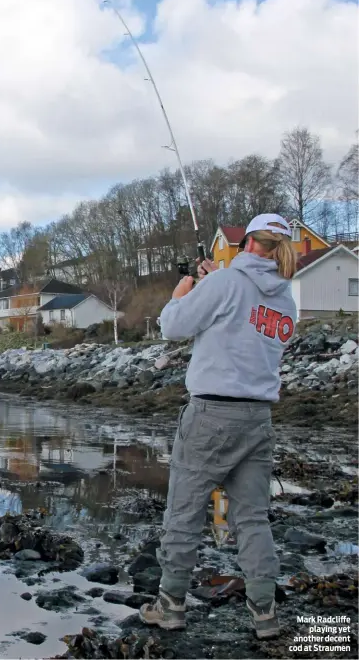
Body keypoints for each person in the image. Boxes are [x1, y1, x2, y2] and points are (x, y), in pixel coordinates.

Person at [139, 214, 297, 640]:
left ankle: (170, 605)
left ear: (245, 241)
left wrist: (182, 293)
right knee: (252, 519)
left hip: (211, 416)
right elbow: (243, 320)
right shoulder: (286, 299)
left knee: (184, 514)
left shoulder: (225, 283)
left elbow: (173, 326)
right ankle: (265, 615)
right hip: (258, 420)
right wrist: (215, 280)